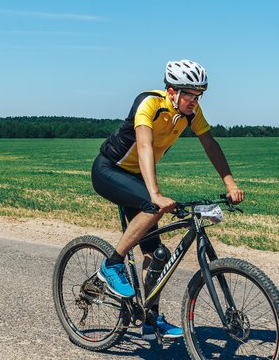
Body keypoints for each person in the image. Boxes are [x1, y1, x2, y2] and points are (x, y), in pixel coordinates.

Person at [91, 59, 244, 340]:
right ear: (172, 91)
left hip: (137, 179)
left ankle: (150, 320)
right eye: (189, 94)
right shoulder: (149, 103)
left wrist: (230, 183)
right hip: (109, 170)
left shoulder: (190, 114)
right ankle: (112, 264)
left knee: (157, 254)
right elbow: (145, 146)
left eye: (199, 95)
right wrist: (155, 194)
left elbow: (210, 143)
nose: (194, 101)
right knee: (152, 207)